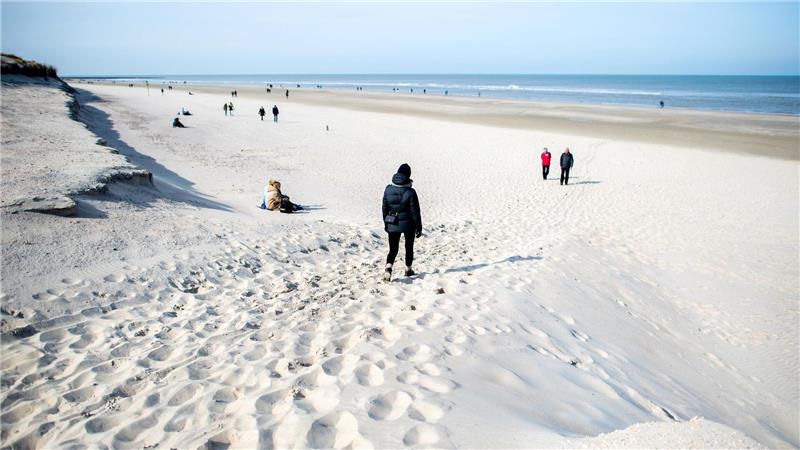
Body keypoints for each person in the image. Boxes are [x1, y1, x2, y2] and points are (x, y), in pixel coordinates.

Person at [381, 163, 422, 281]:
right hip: (408, 224)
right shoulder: (410, 192)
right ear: (408, 176)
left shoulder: (388, 189)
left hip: (392, 223)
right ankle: (408, 269)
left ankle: (388, 268)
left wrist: (386, 222)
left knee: (393, 248)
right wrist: (419, 226)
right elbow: (415, 212)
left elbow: (384, 208)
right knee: (409, 247)